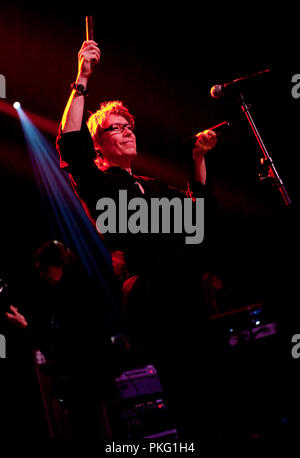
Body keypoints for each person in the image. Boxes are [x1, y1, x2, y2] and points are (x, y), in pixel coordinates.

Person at [56, 40, 218, 439]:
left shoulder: (150, 186)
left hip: (185, 292)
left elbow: (197, 212)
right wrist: (83, 77)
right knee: (182, 388)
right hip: (150, 294)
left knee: (210, 387)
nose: (128, 131)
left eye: (130, 126)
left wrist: (198, 158)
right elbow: (69, 142)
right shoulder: (98, 182)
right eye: (118, 127)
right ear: (100, 142)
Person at [4, 240, 120, 442]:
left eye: (43, 269)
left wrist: (25, 327)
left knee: (92, 430)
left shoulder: (73, 293)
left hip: (85, 378)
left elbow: (67, 339)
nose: (41, 275)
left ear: (55, 265)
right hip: (89, 377)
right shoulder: (78, 287)